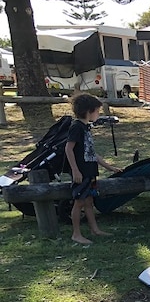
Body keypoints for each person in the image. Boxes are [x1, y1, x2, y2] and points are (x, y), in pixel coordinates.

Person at [64, 92, 121, 245]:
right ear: (89, 111)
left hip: (90, 172)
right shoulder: (76, 127)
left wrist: (109, 167)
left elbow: (92, 153)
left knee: (89, 201)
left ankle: (95, 229)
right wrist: (75, 170)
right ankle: (76, 234)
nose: (98, 114)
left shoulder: (86, 127)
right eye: (97, 111)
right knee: (79, 202)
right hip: (81, 173)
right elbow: (68, 149)